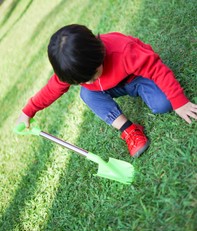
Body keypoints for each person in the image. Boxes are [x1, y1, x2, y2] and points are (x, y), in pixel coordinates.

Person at [16, 24, 197, 157]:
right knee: (87, 93)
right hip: (112, 88)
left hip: (136, 79)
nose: (89, 81)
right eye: (82, 80)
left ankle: (149, 94)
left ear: (99, 53)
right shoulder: (74, 70)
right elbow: (50, 90)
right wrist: (28, 111)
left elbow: (157, 69)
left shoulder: (123, 51)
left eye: (93, 75)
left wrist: (180, 102)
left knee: (163, 104)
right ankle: (129, 130)